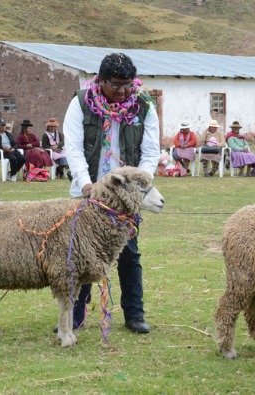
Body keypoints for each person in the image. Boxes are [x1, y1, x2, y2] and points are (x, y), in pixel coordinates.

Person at [63, 52, 160, 334]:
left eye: (127, 84)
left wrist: (138, 186)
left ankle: (134, 314)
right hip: (89, 188)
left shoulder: (144, 106)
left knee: (128, 252)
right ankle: (76, 315)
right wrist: (87, 186)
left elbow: (151, 152)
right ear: (100, 80)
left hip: (126, 194)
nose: (122, 91)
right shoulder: (80, 103)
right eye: (116, 84)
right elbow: (74, 148)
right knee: (79, 253)